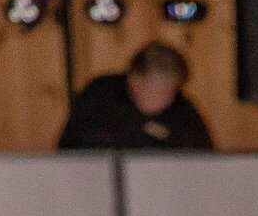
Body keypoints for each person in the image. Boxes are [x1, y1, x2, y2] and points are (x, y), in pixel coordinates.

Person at [58, 42, 213, 152]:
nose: (165, 98)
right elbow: (70, 151)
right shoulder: (100, 97)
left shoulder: (183, 114)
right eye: (155, 88)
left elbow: (199, 164)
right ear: (133, 80)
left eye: (170, 90)